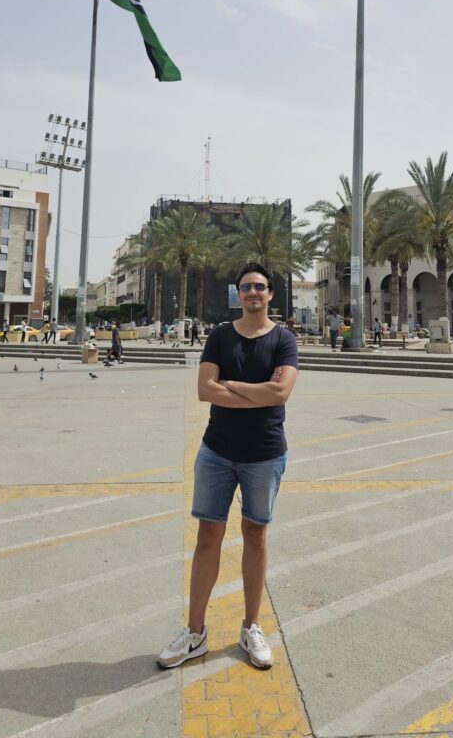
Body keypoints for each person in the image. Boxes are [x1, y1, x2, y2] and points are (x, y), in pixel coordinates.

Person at [157, 263, 299, 672]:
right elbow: (205, 390)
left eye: (259, 286)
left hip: (265, 453)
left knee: (255, 536)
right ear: (238, 294)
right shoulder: (220, 335)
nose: (252, 292)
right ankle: (195, 633)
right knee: (207, 537)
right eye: (245, 287)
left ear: (271, 294)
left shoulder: (283, 339)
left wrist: (231, 386)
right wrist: (258, 391)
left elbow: (280, 393)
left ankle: (251, 626)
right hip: (217, 452)